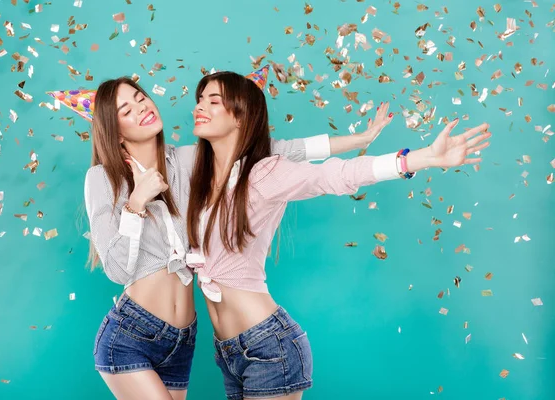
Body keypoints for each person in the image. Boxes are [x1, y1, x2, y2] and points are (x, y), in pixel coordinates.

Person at [185, 71, 491, 400]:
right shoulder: (201, 177)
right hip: (228, 352)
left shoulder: (264, 172)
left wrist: (420, 158)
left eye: (213, 101)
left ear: (242, 116)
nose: (199, 107)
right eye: (199, 100)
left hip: (268, 347)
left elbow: (334, 175)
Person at [82, 69, 383, 400]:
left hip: (182, 339)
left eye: (140, 99)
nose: (141, 108)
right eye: (126, 111)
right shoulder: (102, 178)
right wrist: (137, 203)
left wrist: (358, 141)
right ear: (116, 132)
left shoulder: (188, 160)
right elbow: (117, 270)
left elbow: (267, 150)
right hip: (131, 334)